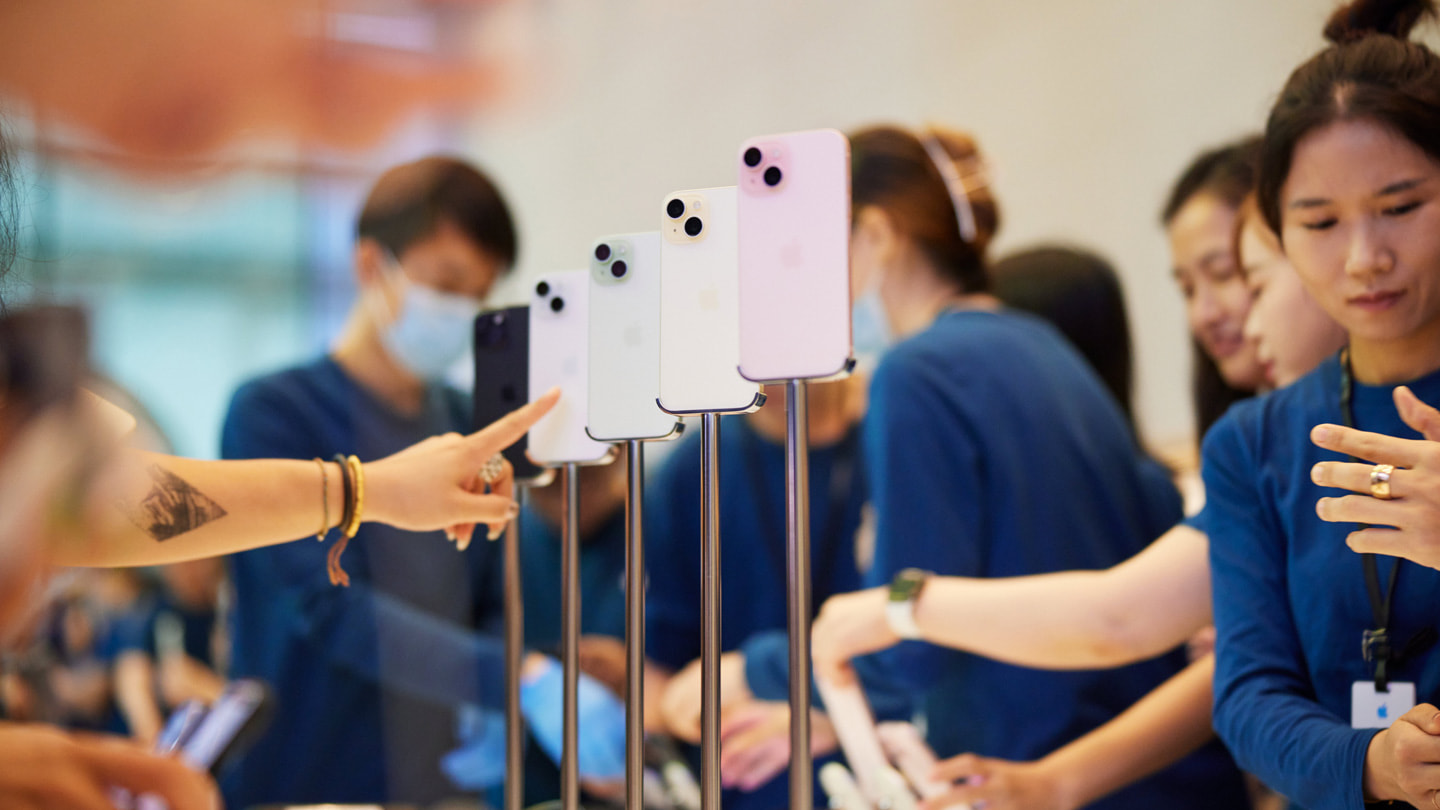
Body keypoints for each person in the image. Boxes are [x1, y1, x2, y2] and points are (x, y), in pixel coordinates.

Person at [756, 123, 1248, 810]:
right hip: (1164, 771)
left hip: (1045, 774)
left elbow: (906, 632)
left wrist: (754, 672)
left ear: (876, 233)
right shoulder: (1042, 344)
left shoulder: (915, 374)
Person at [811, 190, 1348, 810]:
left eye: (1243, 280)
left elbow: (1115, 619)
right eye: (1186, 288)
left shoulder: (919, 371)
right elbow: (1126, 618)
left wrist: (895, 606)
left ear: (879, 234)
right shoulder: (1252, 442)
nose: (1230, 321)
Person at [218, 155, 623, 807]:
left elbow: (494, 588)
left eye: (479, 291)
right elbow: (326, 608)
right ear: (371, 265)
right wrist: (512, 678)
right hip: (304, 777)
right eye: (446, 282)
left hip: (440, 784)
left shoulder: (469, 423)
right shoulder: (274, 414)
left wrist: (515, 677)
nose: (462, 309)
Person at [1206, 2, 1440, 807]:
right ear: (1276, 232)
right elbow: (1247, 693)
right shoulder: (1255, 442)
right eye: (1320, 222)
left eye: (1403, 207)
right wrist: (1370, 766)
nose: (1365, 258)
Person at [643, 376, 868, 809]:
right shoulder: (693, 471)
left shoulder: (892, 445)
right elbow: (663, 674)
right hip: (742, 775)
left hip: (875, 764)